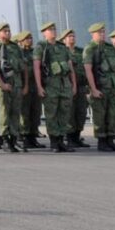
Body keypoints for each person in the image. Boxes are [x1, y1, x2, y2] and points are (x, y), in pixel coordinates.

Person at [33, 22, 76, 153]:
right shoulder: (41, 47)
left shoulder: (62, 47)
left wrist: (73, 84)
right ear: (44, 33)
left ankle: (61, 140)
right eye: (50, 30)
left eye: (54, 29)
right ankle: (54, 142)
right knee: (52, 113)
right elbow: (37, 68)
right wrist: (39, 86)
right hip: (51, 84)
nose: (53, 31)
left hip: (64, 84)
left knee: (64, 113)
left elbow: (70, 67)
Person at [82, 22, 115, 152]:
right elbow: (88, 70)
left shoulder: (110, 48)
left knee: (113, 114)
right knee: (100, 115)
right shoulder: (90, 49)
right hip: (100, 86)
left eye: (103, 32)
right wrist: (93, 89)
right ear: (92, 34)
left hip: (113, 86)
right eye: (99, 32)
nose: (102, 34)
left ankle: (111, 139)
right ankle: (102, 141)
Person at [0, 22, 27, 153]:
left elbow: (23, 68)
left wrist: (24, 85)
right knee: (4, 111)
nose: (8, 33)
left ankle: (14, 138)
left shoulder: (16, 48)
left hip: (16, 84)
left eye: (9, 31)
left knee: (15, 112)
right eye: (5, 31)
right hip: (2, 85)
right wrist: (2, 84)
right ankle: (5, 138)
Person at [63, 29, 91, 148]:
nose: (72, 38)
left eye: (73, 36)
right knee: (70, 113)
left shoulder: (81, 51)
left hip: (81, 87)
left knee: (81, 112)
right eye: (69, 36)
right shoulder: (62, 51)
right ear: (64, 39)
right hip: (67, 87)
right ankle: (70, 138)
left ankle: (77, 137)